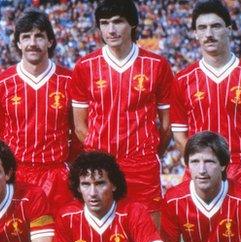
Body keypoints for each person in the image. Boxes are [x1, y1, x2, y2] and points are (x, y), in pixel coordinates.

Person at [70, 0, 174, 227]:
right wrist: (99, 155)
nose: (111, 29)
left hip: (142, 164)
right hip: (101, 166)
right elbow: (80, 126)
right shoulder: (85, 66)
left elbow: (167, 126)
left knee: (151, 239)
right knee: (106, 238)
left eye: (118, 22)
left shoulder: (157, 65)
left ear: (132, 25)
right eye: (105, 23)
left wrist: (148, 153)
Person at [170, 0, 241, 210]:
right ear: (195, 34)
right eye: (202, 27)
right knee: (198, 240)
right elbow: (180, 137)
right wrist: (203, 164)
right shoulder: (182, 80)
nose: (208, 33)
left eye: (215, 26)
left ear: (228, 29)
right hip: (199, 176)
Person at [0, 9, 76, 216]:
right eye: (26, 37)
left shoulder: (70, 81)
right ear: (18, 43)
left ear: (50, 41)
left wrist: (69, 167)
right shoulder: (2, 83)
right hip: (17, 174)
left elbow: (80, 131)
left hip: (57, 174)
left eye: (39, 36)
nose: (32, 43)